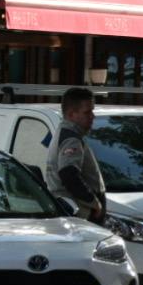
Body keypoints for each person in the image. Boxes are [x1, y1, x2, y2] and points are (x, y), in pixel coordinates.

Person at [43, 86, 107, 224]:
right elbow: (68, 173)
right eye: (87, 112)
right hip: (81, 214)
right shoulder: (71, 139)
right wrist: (93, 202)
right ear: (72, 114)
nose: (92, 116)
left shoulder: (64, 133)